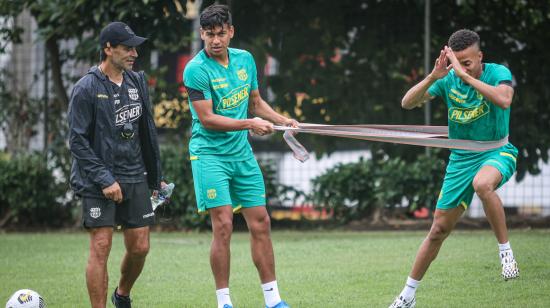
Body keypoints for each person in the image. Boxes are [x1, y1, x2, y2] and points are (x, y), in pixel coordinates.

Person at [389, 29, 520, 308]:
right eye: (456, 61)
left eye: (467, 62)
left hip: (497, 151)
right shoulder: (447, 79)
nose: (461, 67)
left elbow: (504, 100)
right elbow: (407, 102)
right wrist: (432, 78)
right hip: (461, 159)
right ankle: (407, 296)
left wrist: (466, 77)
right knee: (438, 230)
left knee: (483, 185)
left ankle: (505, 252)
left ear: (480, 56)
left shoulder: (497, 73)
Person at [183, 4, 295, 308]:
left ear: (231, 32)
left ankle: (273, 301)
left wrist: (283, 120)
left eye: (221, 33)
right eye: (209, 34)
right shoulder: (195, 69)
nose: (215, 40)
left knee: (261, 222)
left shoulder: (245, 60)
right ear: (202, 34)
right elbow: (207, 119)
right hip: (209, 155)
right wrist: (249, 124)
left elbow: (256, 103)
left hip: (240, 154)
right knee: (223, 226)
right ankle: (224, 303)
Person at [68, 21, 165, 308]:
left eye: (135, 47)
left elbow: (147, 131)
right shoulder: (86, 88)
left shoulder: (137, 82)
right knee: (101, 246)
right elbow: (77, 141)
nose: (134, 53)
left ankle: (122, 295)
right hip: (98, 179)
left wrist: (155, 177)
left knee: (140, 247)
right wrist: (104, 178)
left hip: (135, 174)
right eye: (127, 47)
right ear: (108, 49)